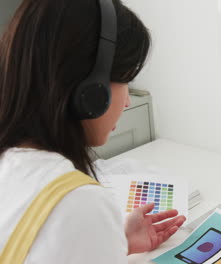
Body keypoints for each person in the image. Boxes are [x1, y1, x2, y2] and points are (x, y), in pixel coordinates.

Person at [0, 0, 186, 263]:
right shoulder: (79, 203)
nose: (128, 101)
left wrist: (114, 242)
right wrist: (96, 232)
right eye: (126, 81)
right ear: (91, 92)